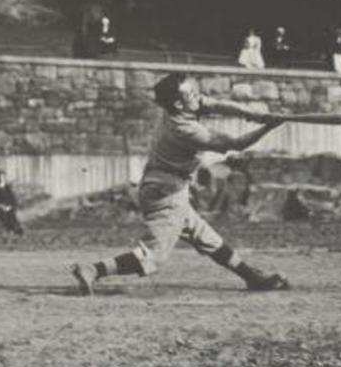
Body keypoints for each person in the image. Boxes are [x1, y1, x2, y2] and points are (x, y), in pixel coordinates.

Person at [71, 72, 289, 296]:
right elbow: (235, 144)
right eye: (193, 94)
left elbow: (214, 104)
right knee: (153, 256)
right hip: (166, 193)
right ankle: (92, 270)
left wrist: (255, 114)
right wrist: (268, 127)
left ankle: (252, 278)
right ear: (178, 103)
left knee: (207, 238)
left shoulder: (180, 106)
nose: (199, 97)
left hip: (167, 187)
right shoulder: (184, 130)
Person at [0, 170, 24, 235]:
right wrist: (0, 206)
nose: (1, 179)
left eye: (2, 177)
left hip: (8, 208)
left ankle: (14, 229)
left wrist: (9, 207)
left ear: (5, 178)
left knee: (11, 214)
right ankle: (12, 229)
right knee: (3, 215)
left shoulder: (8, 188)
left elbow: (13, 200)